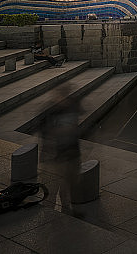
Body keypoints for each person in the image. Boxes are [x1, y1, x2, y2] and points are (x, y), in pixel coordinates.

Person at [40, 84, 82, 216]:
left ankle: (67, 210)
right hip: (57, 156)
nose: (64, 99)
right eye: (61, 96)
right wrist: (64, 130)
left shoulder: (73, 105)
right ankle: (49, 214)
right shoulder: (50, 111)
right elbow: (46, 134)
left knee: (70, 183)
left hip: (72, 153)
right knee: (55, 186)